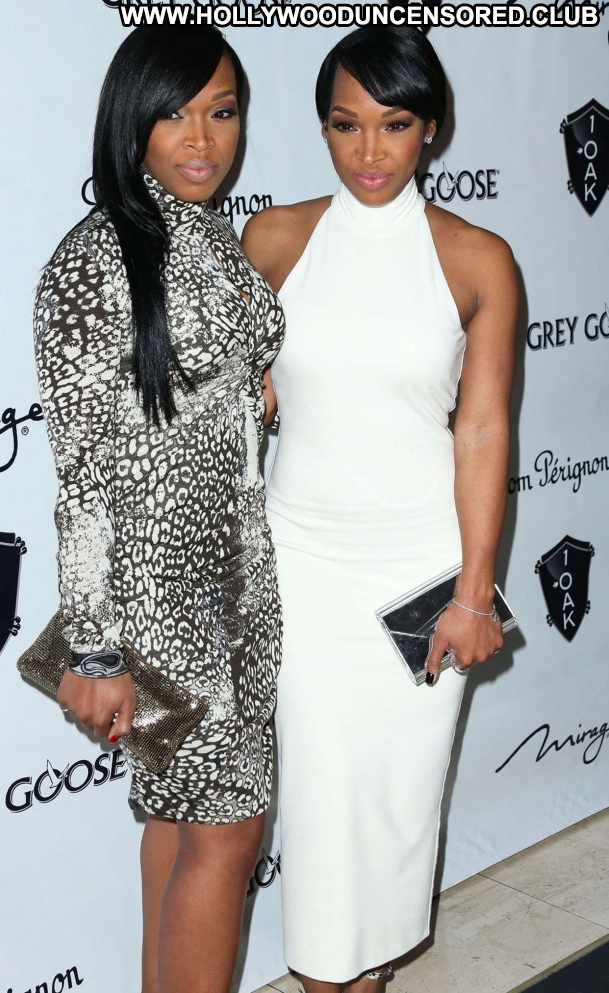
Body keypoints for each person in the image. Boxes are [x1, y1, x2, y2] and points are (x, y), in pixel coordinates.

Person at [242, 25, 517, 993]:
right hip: (303, 565)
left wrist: (474, 593)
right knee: (324, 817)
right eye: (344, 124)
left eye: (393, 125)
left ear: (430, 128)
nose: (368, 151)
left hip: (420, 574)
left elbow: (481, 432)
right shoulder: (274, 240)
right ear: (320, 126)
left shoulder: (478, 259)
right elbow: (244, 405)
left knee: (398, 813)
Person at [34, 25, 284, 993]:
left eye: (222, 111)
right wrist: (95, 652)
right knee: (228, 829)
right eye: (174, 113)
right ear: (130, 119)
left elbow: (208, 375)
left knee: (181, 820)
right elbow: (82, 477)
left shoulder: (205, 229)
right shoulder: (95, 261)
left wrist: (248, 386)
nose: (202, 138)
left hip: (234, 587)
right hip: (157, 607)